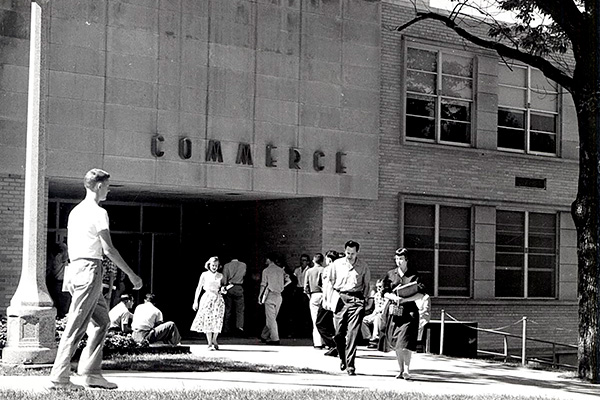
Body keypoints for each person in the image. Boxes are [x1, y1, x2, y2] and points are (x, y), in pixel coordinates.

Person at [48, 168, 143, 391]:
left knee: (103, 322)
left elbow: (72, 247)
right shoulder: (99, 213)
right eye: (108, 186)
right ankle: (59, 378)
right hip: (90, 269)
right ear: (99, 186)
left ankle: (91, 373)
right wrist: (131, 274)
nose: (109, 190)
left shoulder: (75, 212)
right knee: (76, 326)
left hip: (79, 269)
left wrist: (71, 274)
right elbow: (108, 249)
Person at [378, 247, 426, 380]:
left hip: (409, 312)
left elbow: (421, 294)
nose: (398, 261)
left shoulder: (414, 275)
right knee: (397, 342)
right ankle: (400, 369)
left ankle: (407, 369)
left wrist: (405, 299)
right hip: (394, 312)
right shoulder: (390, 274)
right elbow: (384, 292)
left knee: (406, 341)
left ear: (407, 260)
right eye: (397, 259)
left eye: (401, 259)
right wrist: (394, 298)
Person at [328, 240, 371, 376]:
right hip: (340, 299)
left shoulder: (363, 266)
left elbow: (367, 286)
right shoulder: (337, 264)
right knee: (338, 334)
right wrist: (329, 300)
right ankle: (342, 357)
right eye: (347, 253)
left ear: (357, 252)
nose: (350, 256)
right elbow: (330, 282)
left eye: (352, 253)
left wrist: (365, 301)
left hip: (356, 300)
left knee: (352, 334)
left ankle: (351, 365)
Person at [191, 256, 226, 350]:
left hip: (218, 299)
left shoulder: (220, 276)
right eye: (213, 265)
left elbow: (222, 288)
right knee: (208, 319)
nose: (214, 267)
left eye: (216, 265)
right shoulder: (204, 275)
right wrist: (195, 301)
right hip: (207, 298)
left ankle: (215, 339)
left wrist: (223, 290)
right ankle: (209, 343)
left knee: (217, 319)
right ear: (209, 265)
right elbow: (199, 288)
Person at [258, 254, 291, 345]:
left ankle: (275, 339)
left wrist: (260, 296)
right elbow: (289, 280)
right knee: (272, 317)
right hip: (279, 296)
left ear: (269, 259)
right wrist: (282, 287)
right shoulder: (281, 270)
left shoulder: (266, 270)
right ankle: (264, 335)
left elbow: (263, 284)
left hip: (270, 295)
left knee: (271, 319)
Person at [316, 250, 342, 356]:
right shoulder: (340, 269)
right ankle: (335, 346)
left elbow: (327, 286)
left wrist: (326, 300)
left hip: (329, 300)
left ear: (329, 259)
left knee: (320, 323)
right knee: (330, 324)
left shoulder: (328, 269)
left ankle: (334, 344)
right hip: (336, 300)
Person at [304, 253, 325, 348]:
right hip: (324, 295)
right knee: (324, 319)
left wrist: (310, 296)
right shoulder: (324, 270)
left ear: (313, 260)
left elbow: (306, 287)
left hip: (314, 294)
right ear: (322, 261)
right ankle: (325, 340)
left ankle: (318, 343)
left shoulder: (309, 271)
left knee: (315, 319)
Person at [222, 257, 247, 336]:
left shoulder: (227, 265)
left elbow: (224, 279)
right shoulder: (243, 265)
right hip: (239, 287)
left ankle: (226, 328)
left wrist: (224, 286)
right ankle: (240, 327)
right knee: (240, 309)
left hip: (229, 287)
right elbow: (244, 275)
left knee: (228, 309)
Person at [46, 242, 71, 319]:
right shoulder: (60, 257)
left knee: (58, 307)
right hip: (61, 284)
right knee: (64, 308)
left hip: (55, 283)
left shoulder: (52, 259)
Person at [361, 279, 386, 349]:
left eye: (380, 286)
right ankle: (368, 337)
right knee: (363, 320)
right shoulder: (376, 295)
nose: (379, 288)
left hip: (383, 314)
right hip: (376, 313)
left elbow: (384, 308)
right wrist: (372, 314)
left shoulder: (387, 295)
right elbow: (376, 307)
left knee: (377, 318)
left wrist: (377, 312)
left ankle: (375, 338)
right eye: (377, 287)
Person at [292, 254, 312, 337]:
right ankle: (298, 331)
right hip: (298, 290)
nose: (302, 262)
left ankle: (306, 332)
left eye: (304, 260)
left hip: (306, 290)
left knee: (306, 312)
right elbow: (294, 279)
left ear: (308, 261)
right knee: (297, 311)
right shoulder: (297, 270)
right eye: (301, 260)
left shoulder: (309, 270)